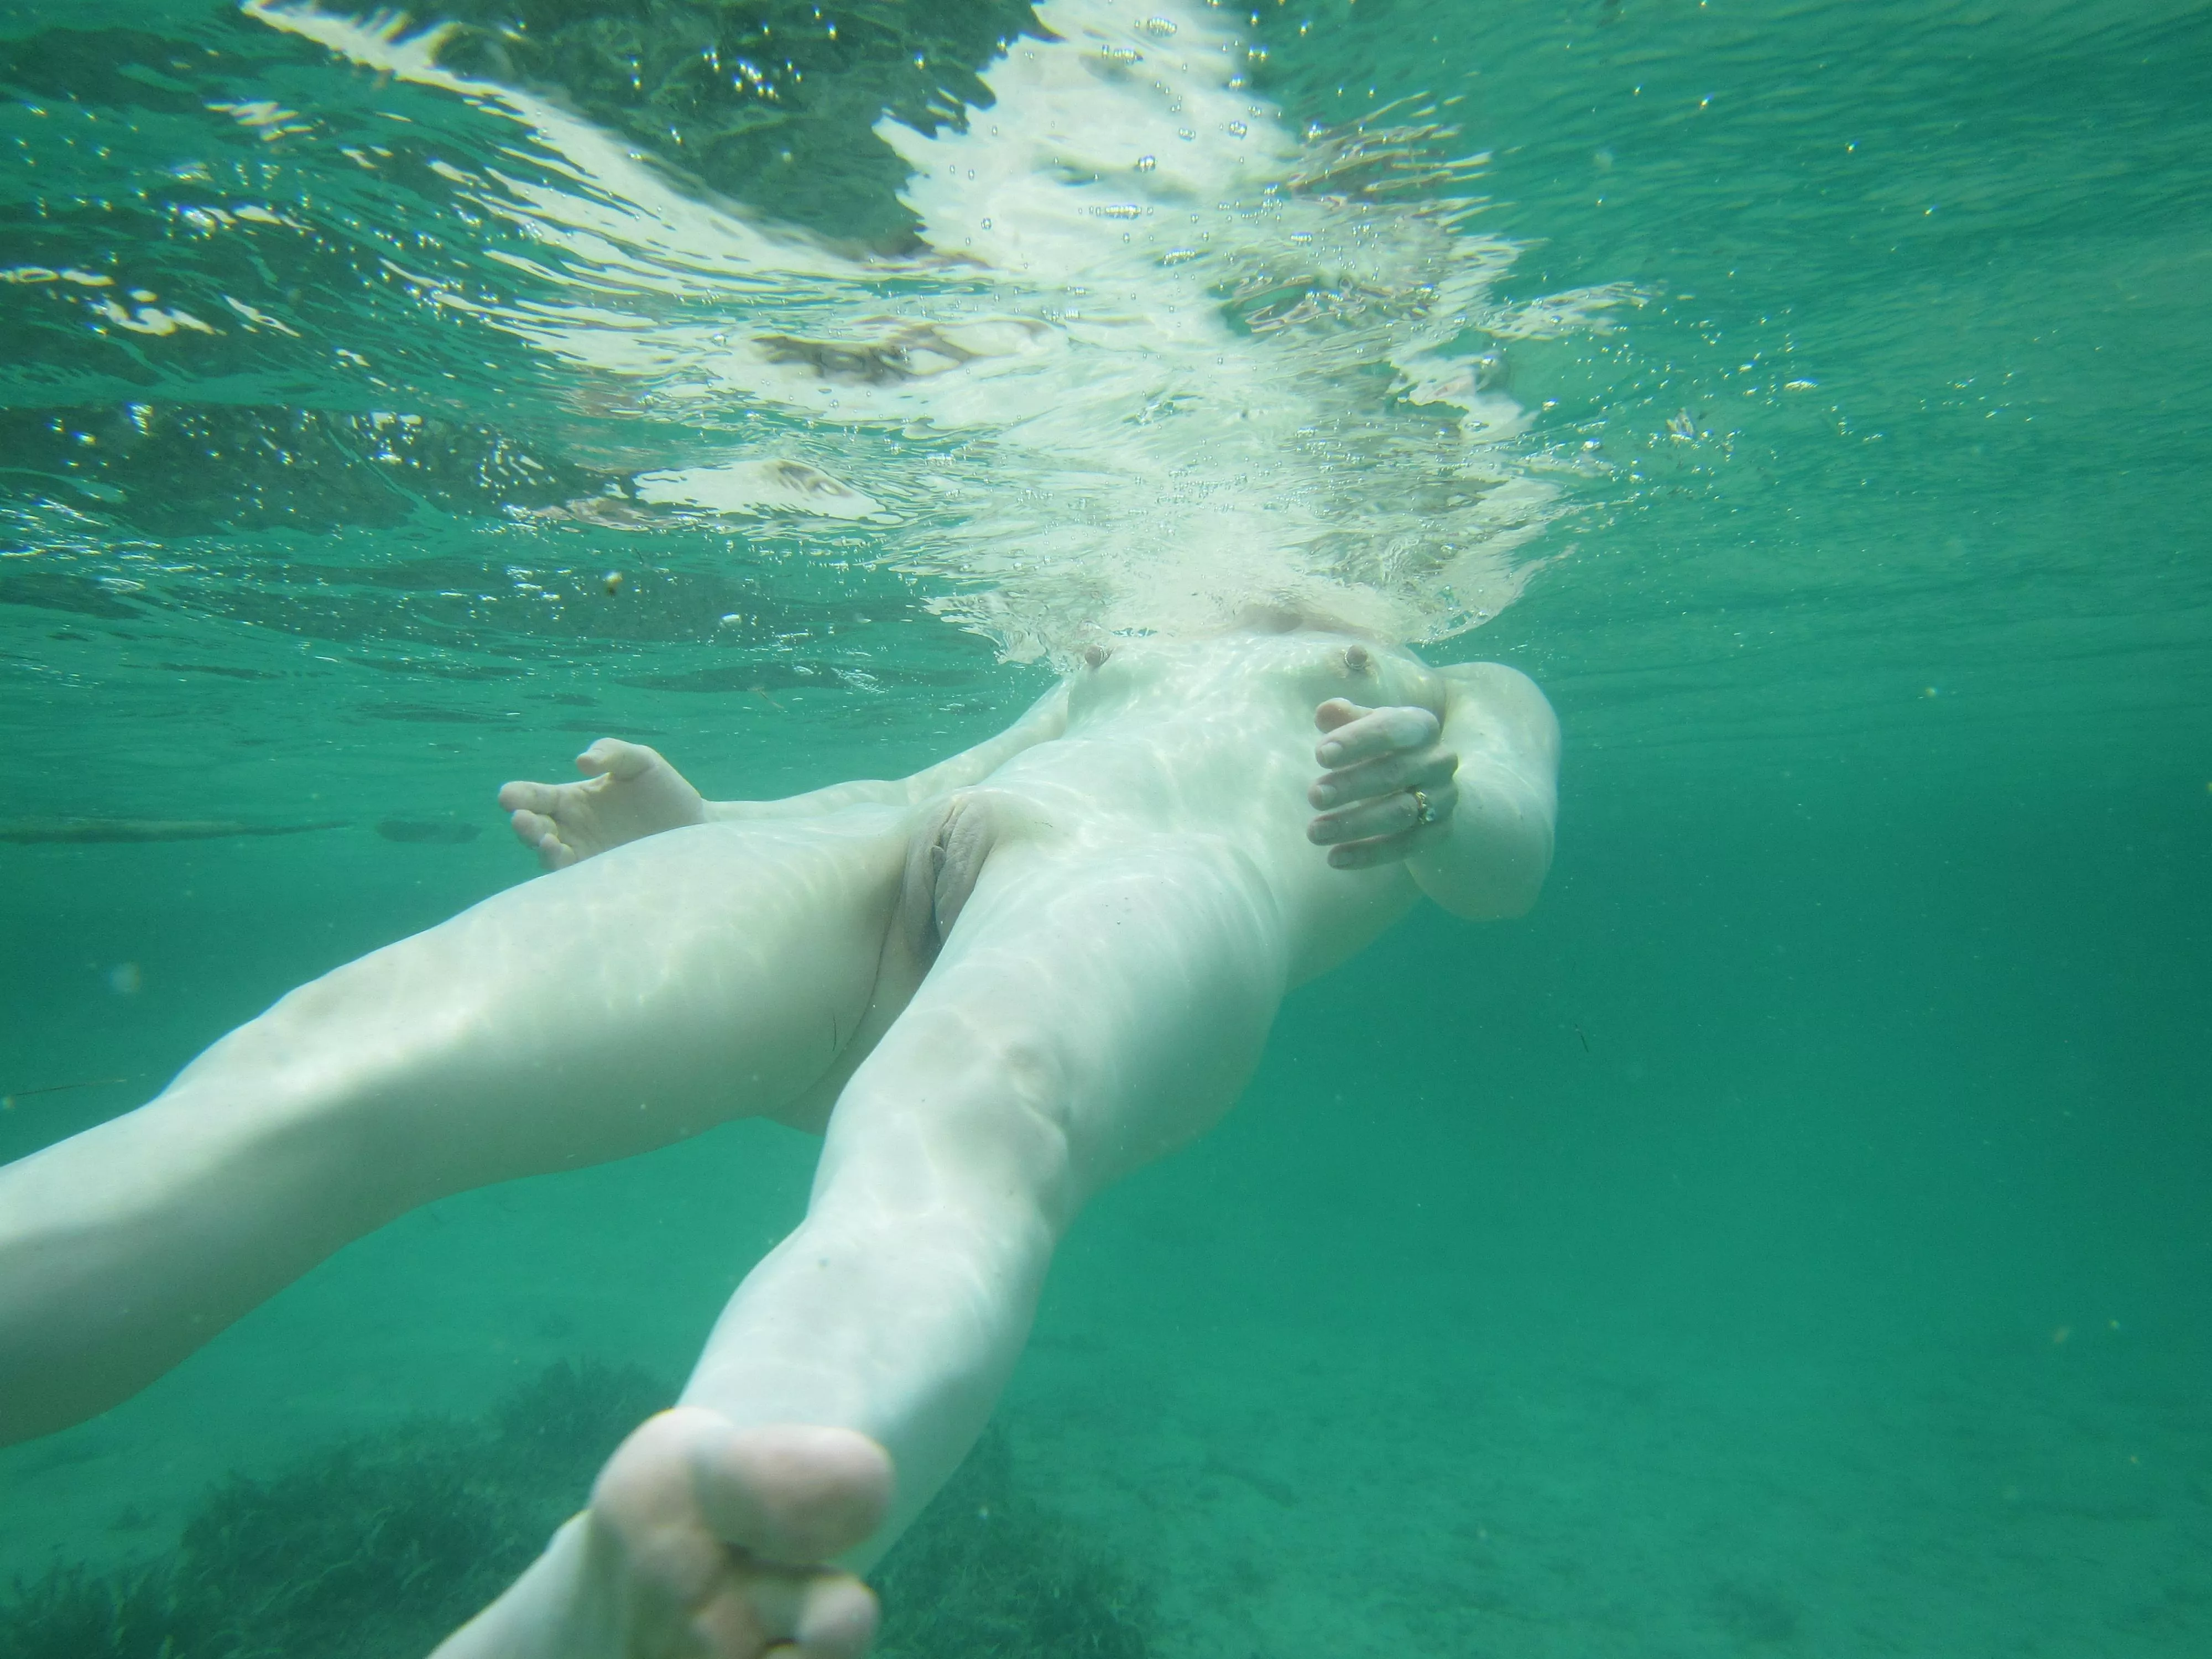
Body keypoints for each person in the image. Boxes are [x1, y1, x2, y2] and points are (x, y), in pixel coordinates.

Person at [0, 615, 1558, 1658]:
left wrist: (1439, 801)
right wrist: (714, 825)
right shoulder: (1137, 629)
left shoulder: (1459, 672)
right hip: (876, 860)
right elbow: (936, 781)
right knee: (339, 1056)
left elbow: (1510, 860)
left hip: (1165, 884)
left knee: (967, 1130)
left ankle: (695, 1545)